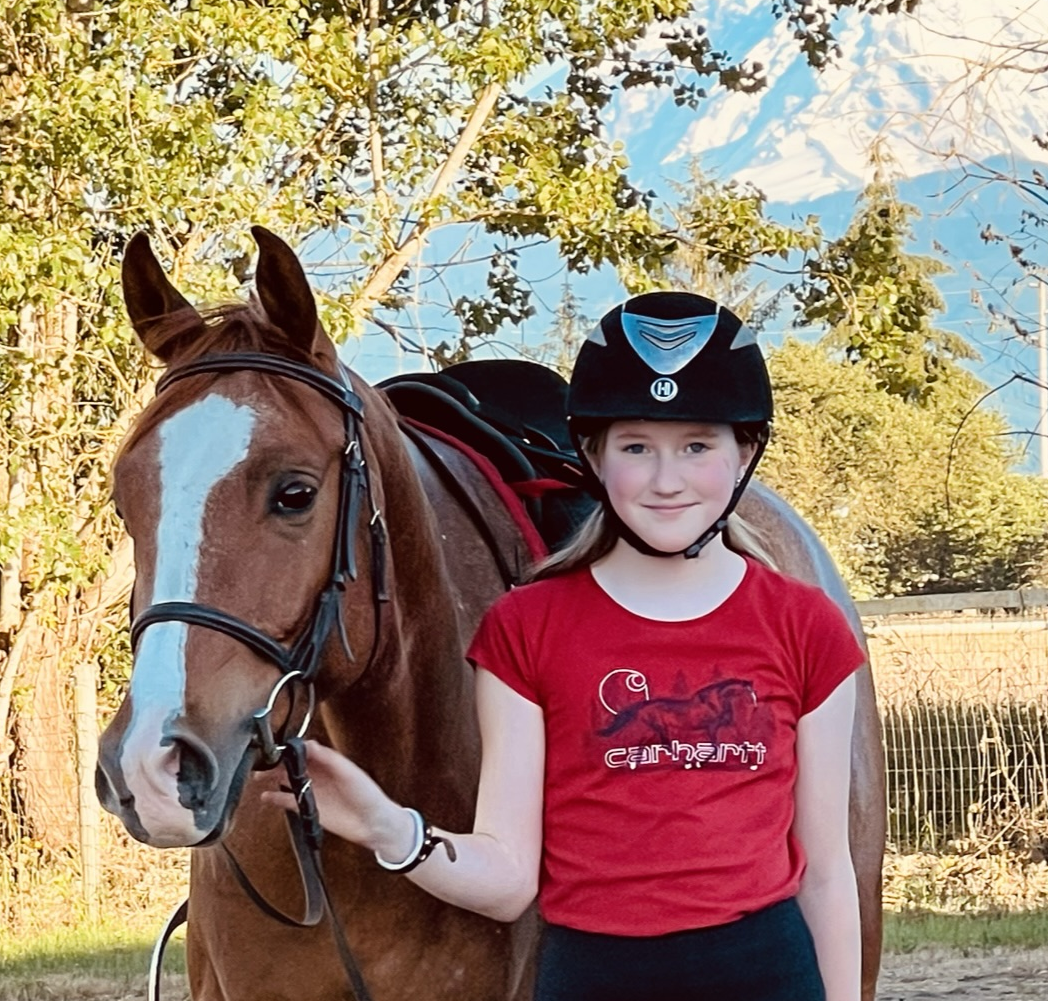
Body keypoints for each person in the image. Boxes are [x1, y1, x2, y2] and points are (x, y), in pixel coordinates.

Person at [259, 292, 865, 1001]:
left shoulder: (806, 625)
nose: (666, 480)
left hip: (766, 976)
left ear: (745, 453)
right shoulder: (526, 630)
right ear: (594, 456)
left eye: (697, 446)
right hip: (591, 980)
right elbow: (510, 880)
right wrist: (387, 826)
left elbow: (826, 872)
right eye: (636, 448)